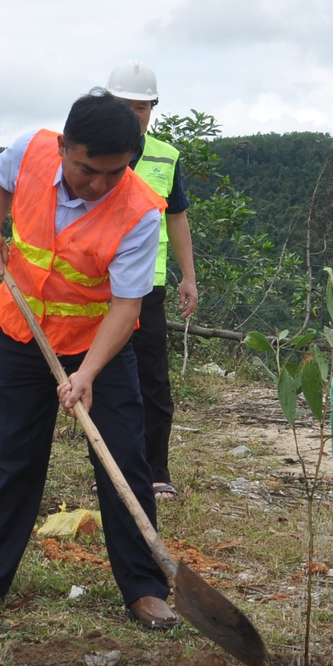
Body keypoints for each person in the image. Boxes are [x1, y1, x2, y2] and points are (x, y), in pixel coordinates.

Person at [0, 92, 178, 628]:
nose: (98, 184)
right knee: (12, 456)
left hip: (100, 344)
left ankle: (145, 589)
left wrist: (89, 373)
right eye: (86, 169)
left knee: (124, 457)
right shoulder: (31, 151)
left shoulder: (141, 211)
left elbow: (127, 309)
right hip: (23, 333)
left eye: (114, 172)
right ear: (62, 147)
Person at [104, 61, 199, 500]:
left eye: (143, 108)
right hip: (94, 283)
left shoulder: (165, 157)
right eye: (126, 106)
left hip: (147, 285)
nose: (135, 115)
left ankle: (156, 470)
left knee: (152, 381)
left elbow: (177, 217)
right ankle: (107, 464)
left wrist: (188, 276)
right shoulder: (92, 150)